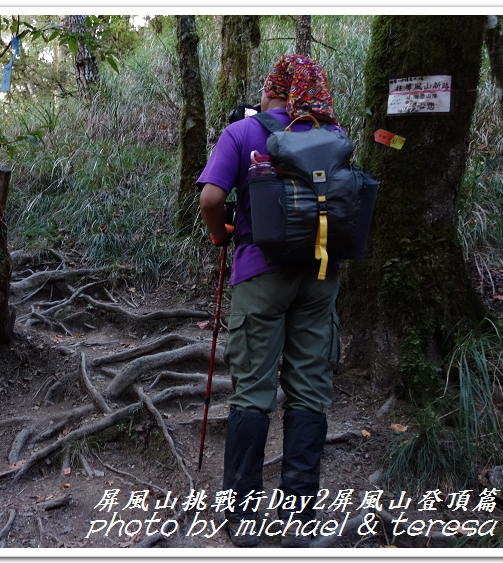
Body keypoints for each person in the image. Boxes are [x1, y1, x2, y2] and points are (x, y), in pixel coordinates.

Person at [197, 54, 343, 548]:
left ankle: (243, 518)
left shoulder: (243, 133)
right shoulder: (333, 135)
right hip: (320, 276)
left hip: (261, 274)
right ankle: (300, 517)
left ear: (275, 88)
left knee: (253, 391)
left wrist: (222, 238)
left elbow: (211, 200)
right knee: (308, 390)